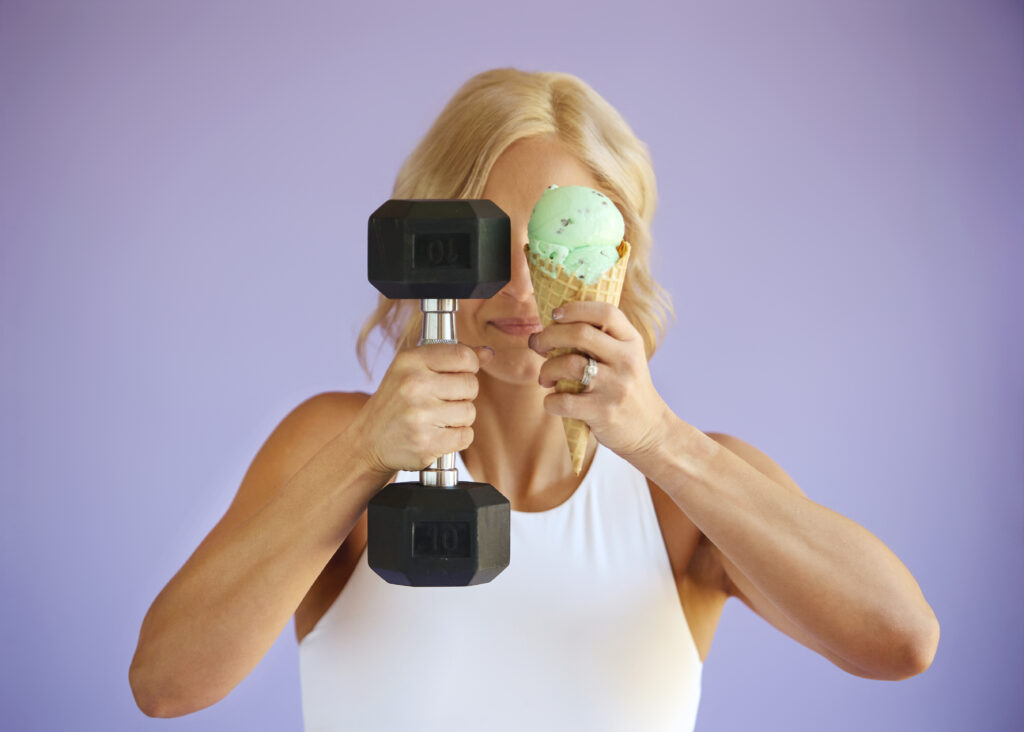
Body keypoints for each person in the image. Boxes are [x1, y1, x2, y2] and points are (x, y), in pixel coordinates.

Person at [129, 68, 940, 730]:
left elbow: (902, 641)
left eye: (555, 242)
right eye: (487, 241)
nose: (520, 288)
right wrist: (363, 456)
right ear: (431, 237)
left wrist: (663, 442)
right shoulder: (335, 444)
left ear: (616, 257)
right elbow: (165, 684)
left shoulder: (678, 497)